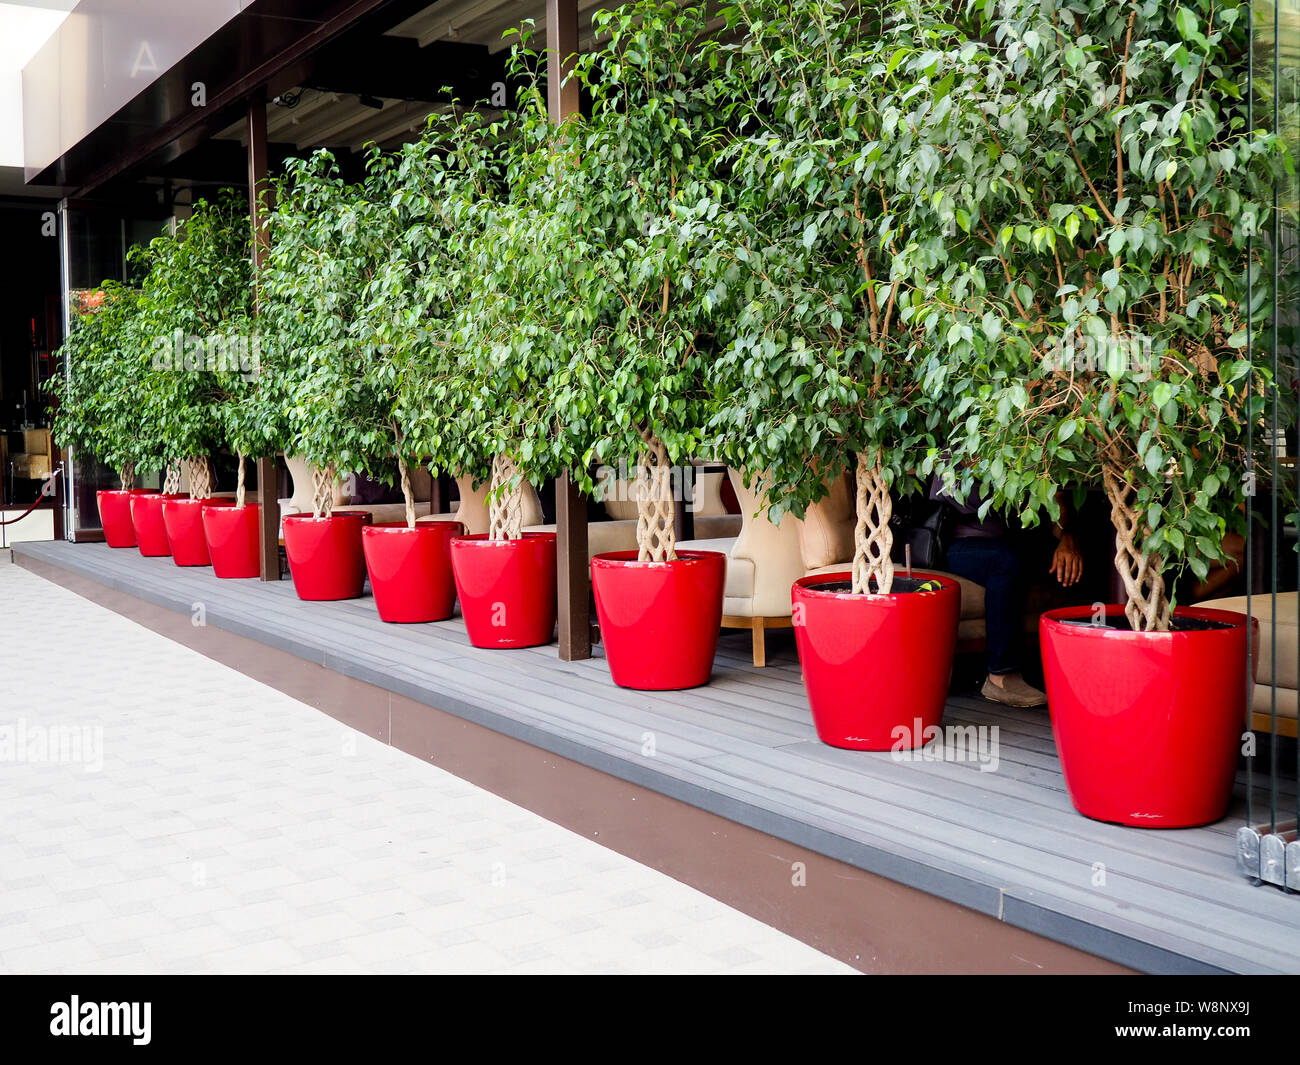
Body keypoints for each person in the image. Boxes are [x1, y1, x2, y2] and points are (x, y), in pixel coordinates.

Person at [931, 475, 1084, 708]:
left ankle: (1081, 664)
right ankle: (1000, 677)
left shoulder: (1023, 450)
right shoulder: (956, 451)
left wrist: (1066, 538)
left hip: (1015, 543)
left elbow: (1056, 499)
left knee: (1070, 555)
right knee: (1006, 559)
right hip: (960, 546)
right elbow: (975, 497)